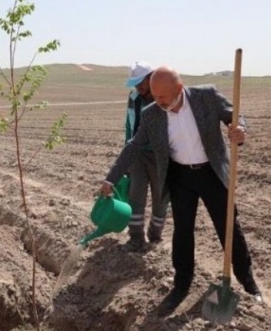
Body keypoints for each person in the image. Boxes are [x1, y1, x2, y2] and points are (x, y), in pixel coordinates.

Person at [98, 66, 262, 313]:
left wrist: (239, 128)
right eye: (155, 95)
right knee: (182, 233)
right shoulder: (152, 113)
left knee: (229, 228)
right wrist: (110, 179)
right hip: (181, 177)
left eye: (163, 96)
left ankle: (249, 285)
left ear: (179, 87)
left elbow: (234, 115)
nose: (158, 101)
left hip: (212, 173)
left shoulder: (206, 96)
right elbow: (133, 146)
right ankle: (181, 285)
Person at [122, 61, 169, 252]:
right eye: (135, 84)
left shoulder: (164, 97)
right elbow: (128, 125)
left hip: (161, 156)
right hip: (138, 154)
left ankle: (155, 236)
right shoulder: (133, 97)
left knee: (161, 197)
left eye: (141, 83)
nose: (138, 88)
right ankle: (135, 237)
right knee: (136, 195)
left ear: (152, 78)